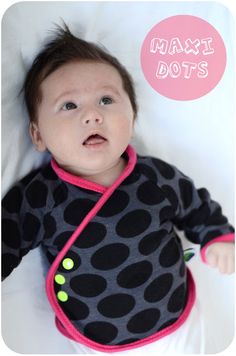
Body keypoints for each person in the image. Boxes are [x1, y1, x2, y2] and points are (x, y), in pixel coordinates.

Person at [2, 23, 234, 353]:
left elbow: (195, 206)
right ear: (37, 135)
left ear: (133, 116)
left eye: (107, 99)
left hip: (176, 321)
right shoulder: (39, 197)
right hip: (93, 338)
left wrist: (216, 236)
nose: (92, 115)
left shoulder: (154, 177)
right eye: (69, 106)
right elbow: (6, 237)